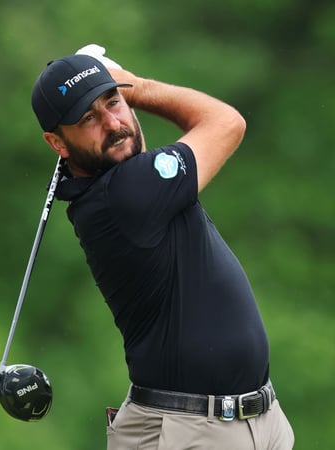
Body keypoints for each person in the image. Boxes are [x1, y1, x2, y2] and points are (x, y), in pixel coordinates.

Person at [30, 46, 294, 449]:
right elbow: (226, 122)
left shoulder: (117, 186)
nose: (113, 123)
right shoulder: (127, 194)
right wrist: (136, 85)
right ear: (58, 143)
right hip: (193, 431)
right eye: (88, 118)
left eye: (113, 101)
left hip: (246, 421)